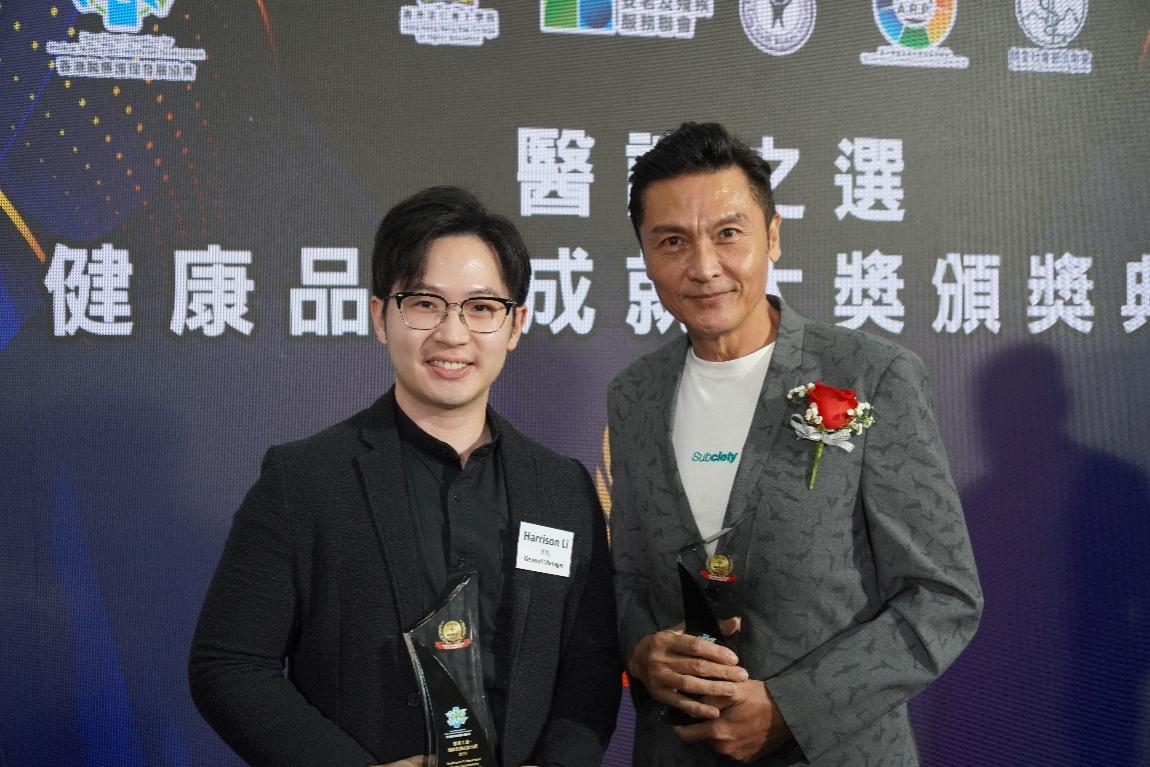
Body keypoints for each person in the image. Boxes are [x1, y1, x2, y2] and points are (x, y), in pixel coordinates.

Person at [189, 186, 620, 767]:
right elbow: (229, 665)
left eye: (481, 308)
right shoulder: (305, 481)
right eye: (424, 303)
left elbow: (592, 664)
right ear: (381, 317)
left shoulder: (561, 490)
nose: (452, 333)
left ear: (515, 325)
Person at [608, 123, 982, 765]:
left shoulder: (871, 374)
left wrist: (791, 708)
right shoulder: (634, 394)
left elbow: (943, 597)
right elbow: (629, 579)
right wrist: (643, 651)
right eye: (672, 241)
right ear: (644, 253)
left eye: (729, 233)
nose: (703, 267)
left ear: (773, 235)